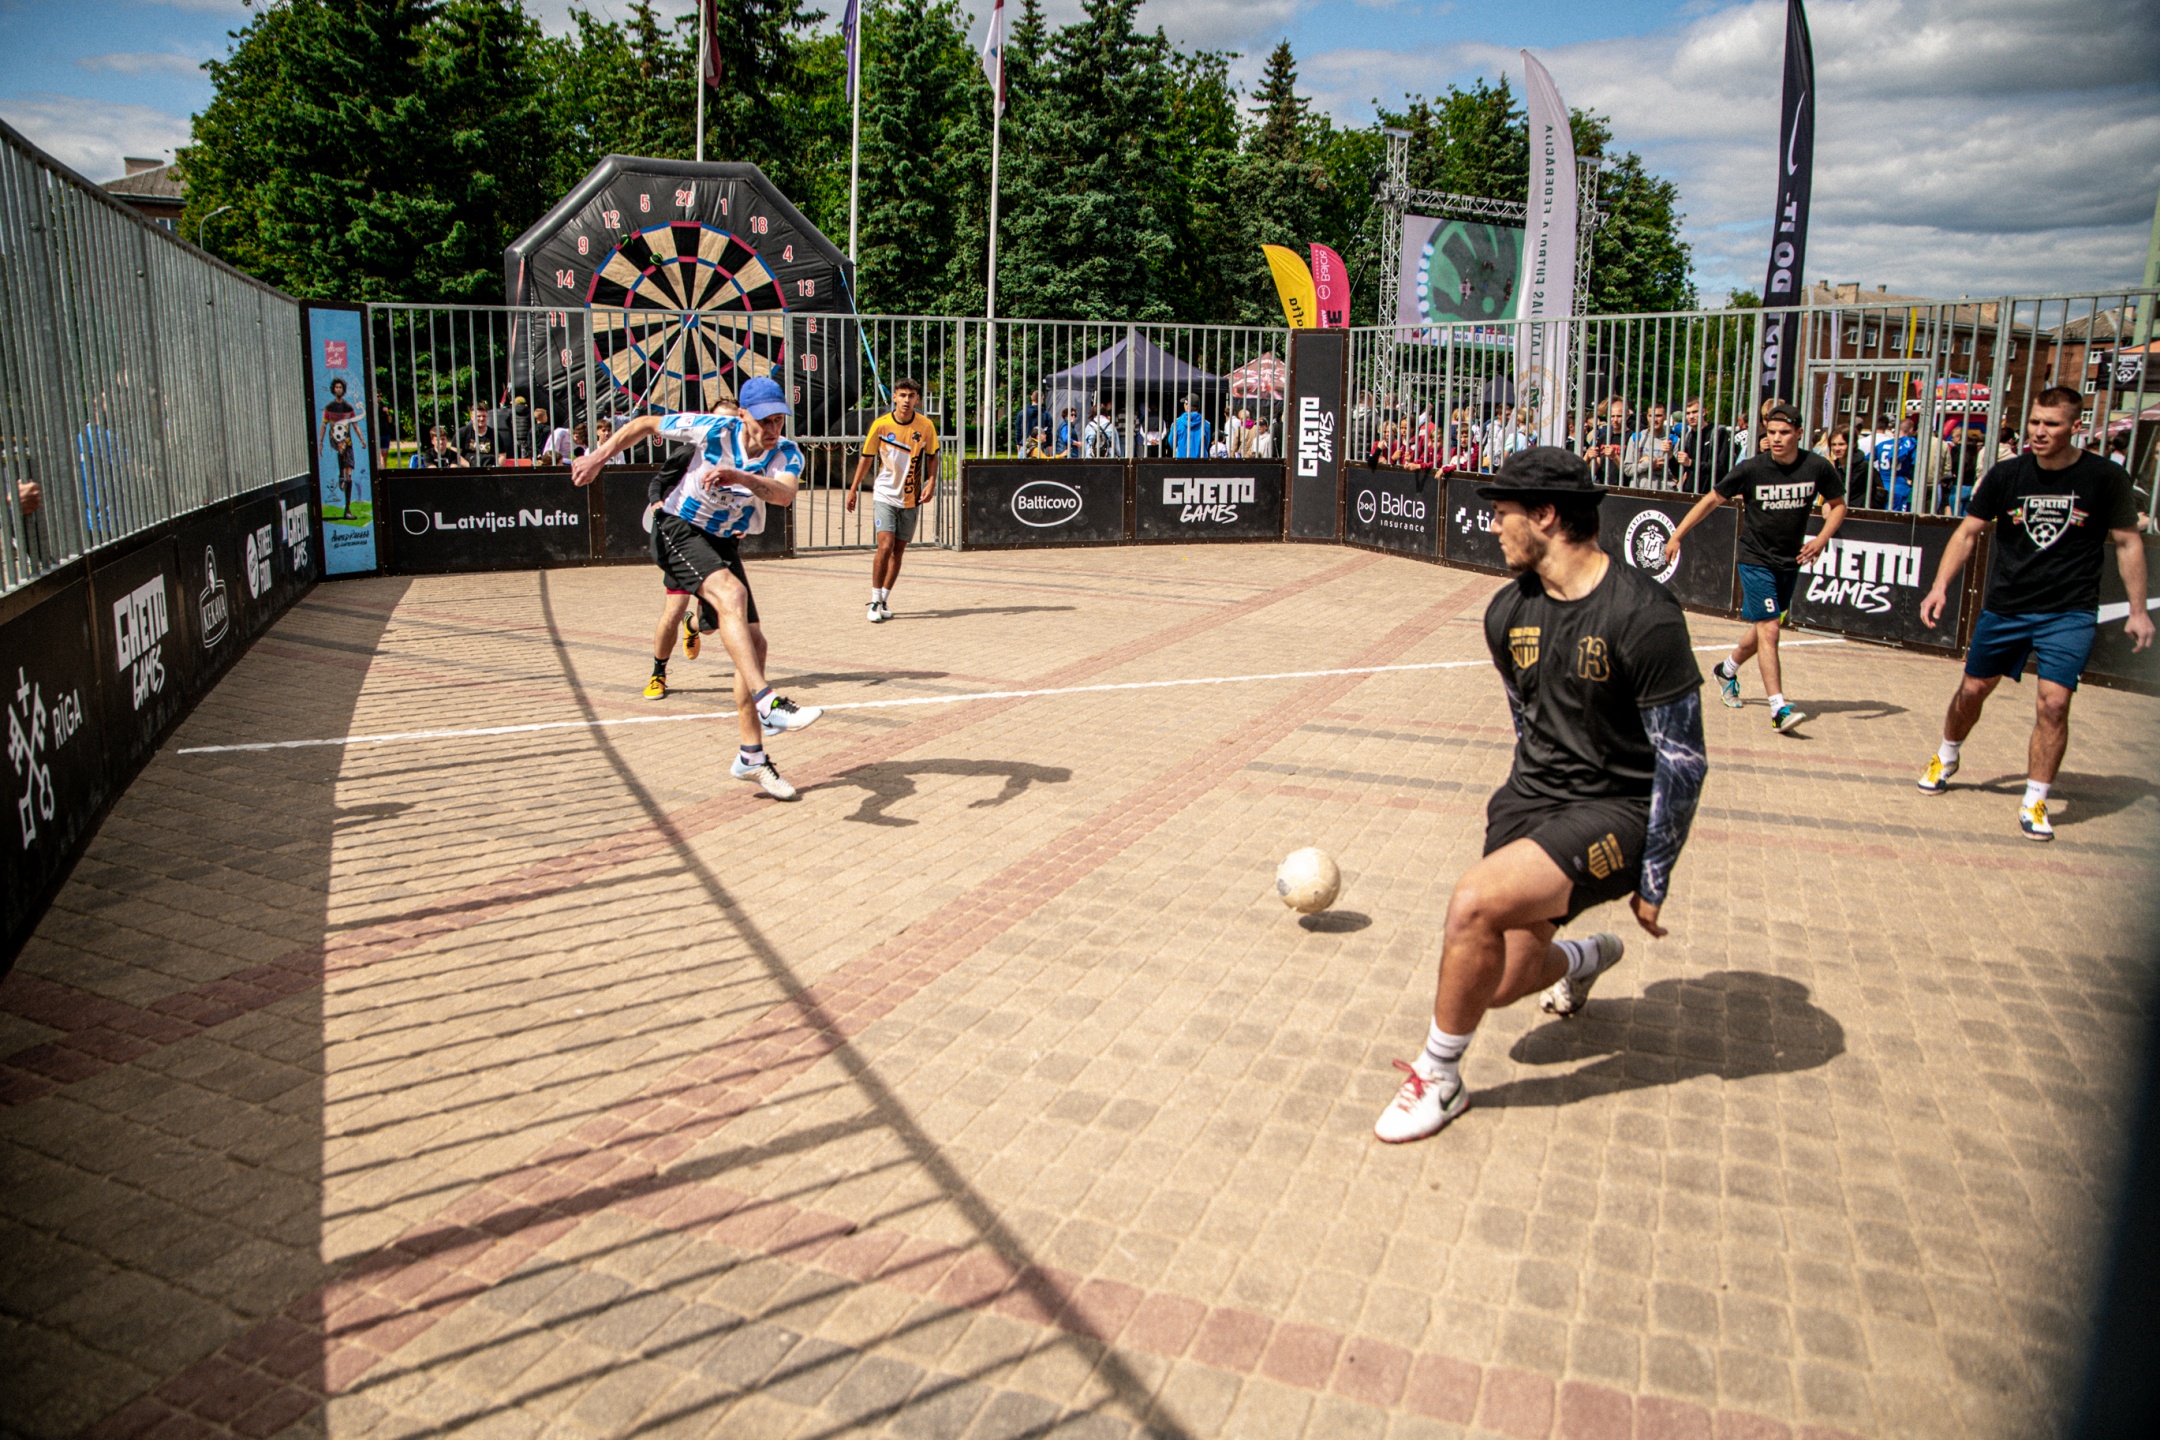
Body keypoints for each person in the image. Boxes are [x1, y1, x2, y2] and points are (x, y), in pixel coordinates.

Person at [1373, 446, 1707, 1143]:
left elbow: (1683, 760)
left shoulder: (1645, 616)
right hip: (1530, 800)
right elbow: (1527, 719)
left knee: (1473, 905)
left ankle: (1439, 1078)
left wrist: (1654, 876)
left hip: (1615, 809)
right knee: (1494, 985)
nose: (1492, 526)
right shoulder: (1506, 612)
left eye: (1503, 514)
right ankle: (1587, 958)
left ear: (1547, 515)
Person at [1915, 387, 2151, 841]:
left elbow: (2127, 542)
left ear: (2075, 427)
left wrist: (2137, 611)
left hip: (2069, 612)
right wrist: (1939, 586)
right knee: (1973, 690)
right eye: (2035, 422)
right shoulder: (2007, 474)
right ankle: (1947, 754)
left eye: (2051, 424)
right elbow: (1967, 533)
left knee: (2054, 704)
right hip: (2007, 606)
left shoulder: (2105, 477)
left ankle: (2035, 799)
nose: (2039, 432)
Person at [571, 375, 822, 800]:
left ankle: (751, 757)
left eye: (778, 419)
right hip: (679, 527)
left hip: (720, 540)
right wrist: (598, 457)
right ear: (743, 415)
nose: (772, 428)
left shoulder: (787, 452)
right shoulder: (713, 428)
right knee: (731, 595)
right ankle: (767, 702)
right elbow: (645, 424)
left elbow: (783, 495)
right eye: (764, 420)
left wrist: (739, 476)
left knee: (756, 644)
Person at [1665, 402, 1848, 732]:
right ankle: (1778, 708)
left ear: (1799, 433)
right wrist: (1677, 535)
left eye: (1784, 433)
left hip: (1790, 560)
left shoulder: (1817, 467)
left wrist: (1821, 540)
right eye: (1771, 432)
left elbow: (1838, 506)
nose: (1776, 438)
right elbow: (1711, 500)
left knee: (1765, 627)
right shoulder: (1751, 469)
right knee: (1770, 628)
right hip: (1755, 558)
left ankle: (1726, 670)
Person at [845, 376, 939, 623]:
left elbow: (932, 455)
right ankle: (875, 599)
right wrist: (853, 489)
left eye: (911, 396)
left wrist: (931, 482)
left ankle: (885, 599)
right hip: (884, 493)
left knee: (898, 550)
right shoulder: (881, 425)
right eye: (902, 395)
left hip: (910, 496)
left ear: (917, 399)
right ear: (894, 397)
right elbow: (866, 457)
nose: (906, 400)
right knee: (885, 546)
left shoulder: (926, 426)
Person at [319, 378, 364, 515]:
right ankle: (341, 474)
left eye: (340, 387)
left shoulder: (348, 408)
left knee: (349, 475)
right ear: (333, 389)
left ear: (343, 390)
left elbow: (355, 425)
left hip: (347, 441)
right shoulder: (329, 407)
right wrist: (320, 442)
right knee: (341, 446)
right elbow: (324, 425)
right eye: (336, 387)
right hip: (334, 440)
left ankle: (347, 509)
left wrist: (362, 439)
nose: (338, 389)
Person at [1671, 397, 1731, 494]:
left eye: (1695, 412)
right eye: (1687, 413)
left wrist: (1691, 463)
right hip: (1689, 493)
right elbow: (1680, 472)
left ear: (1704, 412)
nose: (1691, 416)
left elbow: (1721, 468)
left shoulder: (1718, 433)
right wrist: (1670, 456)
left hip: (1712, 493)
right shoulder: (1687, 436)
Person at [1872, 414, 1919, 511]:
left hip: (1881, 487)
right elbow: (1915, 466)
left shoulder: (1882, 445)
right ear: (1911, 430)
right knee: (1896, 517)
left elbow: (1867, 460)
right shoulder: (1910, 444)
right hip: (1899, 487)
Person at [457, 402, 499, 468]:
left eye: (484, 416)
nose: (481, 419)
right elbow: (454, 454)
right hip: (468, 470)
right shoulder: (462, 432)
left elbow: (502, 455)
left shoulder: (494, 434)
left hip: (489, 470)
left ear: (487, 416)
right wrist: (470, 466)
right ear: (472, 417)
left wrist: (495, 468)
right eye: (478, 416)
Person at [1169, 395, 1211, 459]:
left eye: (1184, 403)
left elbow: (1171, 442)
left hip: (1181, 460)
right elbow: (1207, 443)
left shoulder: (1177, 423)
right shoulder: (1206, 424)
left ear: (1187, 405)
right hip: (1200, 461)